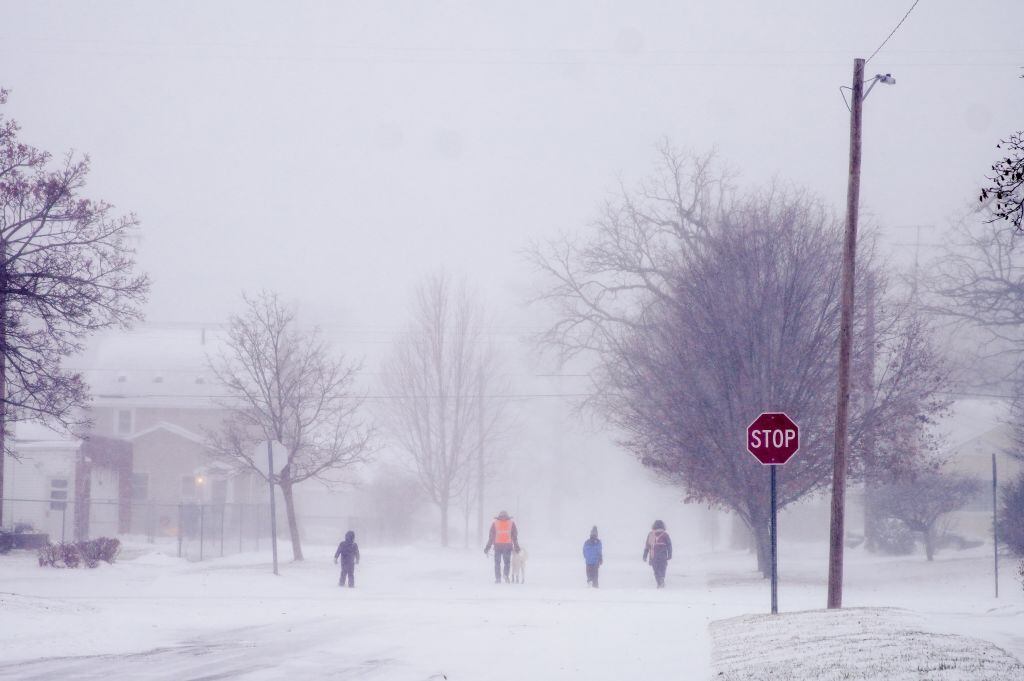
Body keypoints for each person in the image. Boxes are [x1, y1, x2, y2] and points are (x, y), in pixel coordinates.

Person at [484, 510, 520, 583]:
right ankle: (505, 575)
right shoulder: (511, 523)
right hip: (507, 546)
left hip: (497, 546)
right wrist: (516, 547)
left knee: (497, 563)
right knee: (507, 562)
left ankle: (498, 578)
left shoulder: (495, 523)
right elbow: (514, 537)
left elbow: (491, 537)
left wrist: (487, 547)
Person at [642, 520, 672, 588]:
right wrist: (669, 554)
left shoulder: (651, 534)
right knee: (662, 568)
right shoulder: (665, 535)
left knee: (656, 570)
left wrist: (645, 555)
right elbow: (669, 545)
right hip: (663, 556)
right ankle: (661, 579)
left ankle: (659, 582)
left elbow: (647, 546)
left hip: (653, 556)